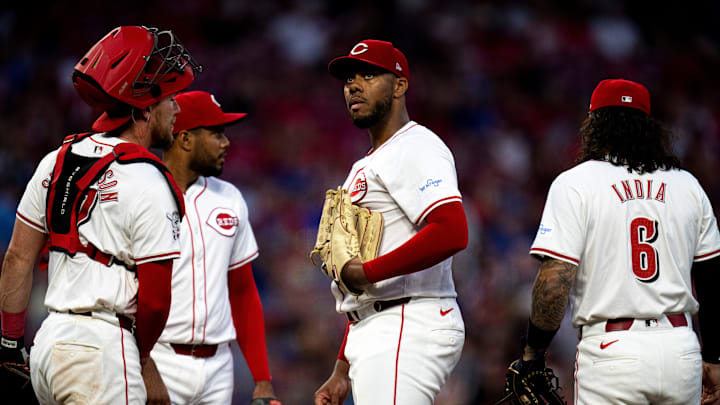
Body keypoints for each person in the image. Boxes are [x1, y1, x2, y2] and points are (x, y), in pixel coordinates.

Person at [0, 25, 201, 404]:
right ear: (144, 108)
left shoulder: (56, 159)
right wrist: (142, 361)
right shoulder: (150, 182)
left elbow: (17, 257)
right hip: (103, 351)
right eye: (171, 99)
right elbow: (156, 302)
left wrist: (10, 346)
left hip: (47, 344)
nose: (177, 109)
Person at [519, 78, 720, 404]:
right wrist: (714, 358)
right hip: (680, 349)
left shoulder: (576, 183)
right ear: (649, 127)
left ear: (594, 123)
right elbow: (713, 281)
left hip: (613, 353)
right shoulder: (688, 186)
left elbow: (554, 284)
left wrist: (533, 352)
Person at [313, 39, 469, 405]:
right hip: (378, 324)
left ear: (400, 85)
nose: (353, 85)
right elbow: (366, 294)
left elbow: (452, 230)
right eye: (349, 77)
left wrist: (367, 271)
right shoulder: (366, 164)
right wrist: (341, 367)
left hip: (407, 320)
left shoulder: (415, 145)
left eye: (369, 74)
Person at [146, 90, 281, 405]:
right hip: (160, 358)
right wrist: (143, 364)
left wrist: (262, 380)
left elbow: (243, 290)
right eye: (216, 133)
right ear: (185, 138)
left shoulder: (229, 197)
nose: (226, 142)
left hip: (219, 365)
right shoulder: (143, 192)